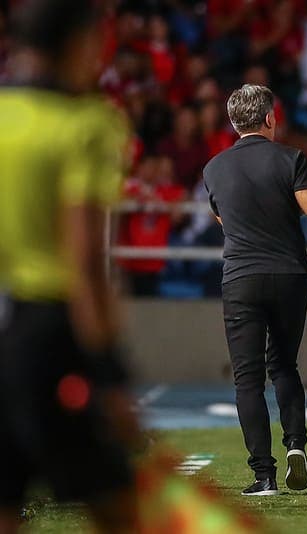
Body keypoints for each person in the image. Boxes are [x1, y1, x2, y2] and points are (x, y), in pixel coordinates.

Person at [0, 1, 138, 531]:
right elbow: (84, 260)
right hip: (47, 338)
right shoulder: (88, 123)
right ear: (79, 43)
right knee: (120, 509)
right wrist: (111, 374)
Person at [202, 84, 307, 496]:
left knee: (247, 379)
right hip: (290, 275)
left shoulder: (214, 169)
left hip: (241, 276)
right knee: (284, 366)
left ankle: (263, 475)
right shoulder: (290, 158)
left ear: (233, 122)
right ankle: (296, 444)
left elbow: (225, 222)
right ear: (271, 118)